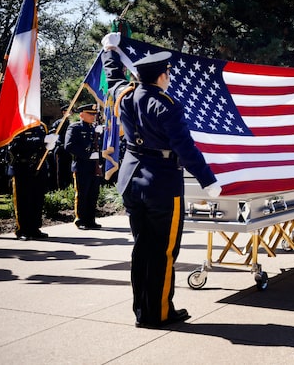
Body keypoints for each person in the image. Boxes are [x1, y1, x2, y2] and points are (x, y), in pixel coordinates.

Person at [101, 33, 221, 329]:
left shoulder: (125, 96)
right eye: (167, 74)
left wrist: (109, 50)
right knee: (163, 251)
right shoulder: (167, 106)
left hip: (131, 180)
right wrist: (208, 180)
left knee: (142, 247)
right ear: (162, 77)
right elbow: (185, 149)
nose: (169, 78)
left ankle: (143, 310)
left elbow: (113, 76)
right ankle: (159, 313)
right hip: (162, 185)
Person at [8, 125, 52, 240]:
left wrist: (49, 144)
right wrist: (41, 141)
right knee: (23, 200)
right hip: (22, 167)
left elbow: (42, 148)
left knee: (37, 199)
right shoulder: (19, 124)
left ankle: (34, 228)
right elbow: (14, 146)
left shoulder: (41, 127)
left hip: (38, 166)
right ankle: (22, 230)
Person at [64, 103, 103, 229]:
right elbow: (69, 145)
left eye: (94, 114)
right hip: (82, 165)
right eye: (90, 114)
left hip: (95, 165)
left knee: (93, 193)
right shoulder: (74, 128)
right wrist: (87, 155)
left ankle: (91, 219)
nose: (93, 116)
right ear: (81, 115)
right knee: (82, 194)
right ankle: (80, 220)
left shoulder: (95, 128)